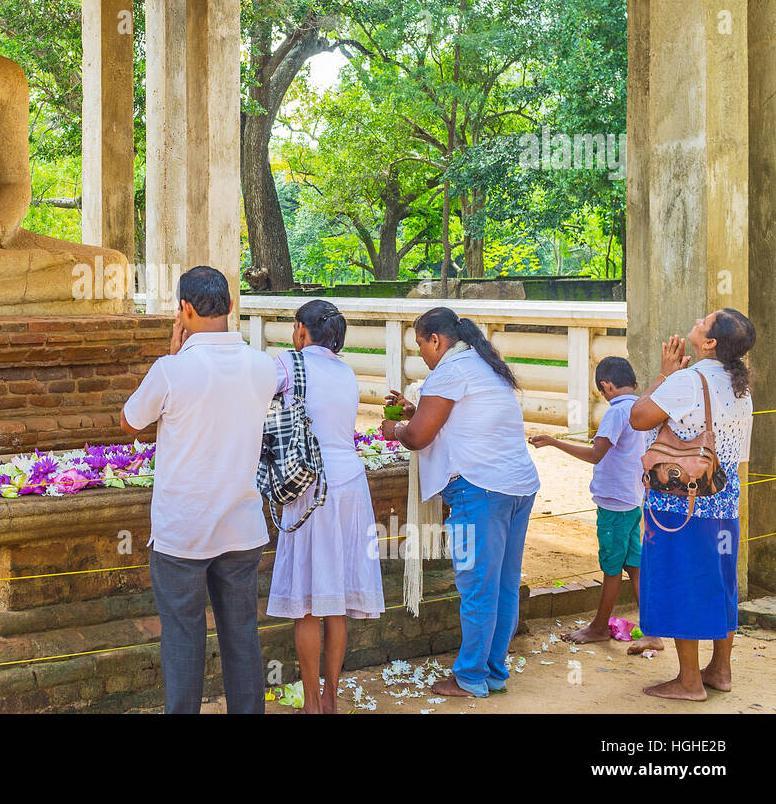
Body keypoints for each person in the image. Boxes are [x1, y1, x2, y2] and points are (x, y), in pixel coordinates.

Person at [120, 265, 277, 713]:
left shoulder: (171, 370)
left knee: (183, 638)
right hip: (241, 527)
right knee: (241, 635)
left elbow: (132, 421)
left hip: (182, 531)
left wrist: (172, 356)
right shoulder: (263, 367)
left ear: (183, 310)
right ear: (231, 306)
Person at [380, 306, 540, 699]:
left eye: (421, 345)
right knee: (502, 584)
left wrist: (395, 428)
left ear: (436, 339)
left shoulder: (450, 371)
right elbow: (452, 423)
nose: (421, 354)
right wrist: (415, 413)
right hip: (516, 487)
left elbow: (418, 438)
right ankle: (493, 671)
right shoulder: (485, 366)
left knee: (477, 588)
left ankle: (469, 676)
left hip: (479, 489)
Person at [628, 308, 756, 701]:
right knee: (720, 584)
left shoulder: (687, 380)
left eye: (705, 321)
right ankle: (720, 670)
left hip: (681, 507)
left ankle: (688, 682)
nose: (698, 320)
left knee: (683, 583)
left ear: (710, 342)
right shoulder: (740, 387)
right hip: (724, 503)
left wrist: (664, 374)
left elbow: (638, 417)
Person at [266, 300, 384, 714]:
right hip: (350, 484)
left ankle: (313, 702)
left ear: (301, 329)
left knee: (308, 602)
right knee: (334, 601)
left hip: (308, 485)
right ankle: (332, 698)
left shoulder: (288, 364)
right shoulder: (346, 371)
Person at [529, 357, 665, 652]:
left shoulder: (616, 412)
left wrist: (554, 442)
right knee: (634, 565)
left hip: (614, 502)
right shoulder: (642, 407)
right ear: (635, 384)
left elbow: (595, 454)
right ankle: (653, 628)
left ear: (606, 386)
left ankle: (599, 627)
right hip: (633, 499)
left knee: (612, 567)